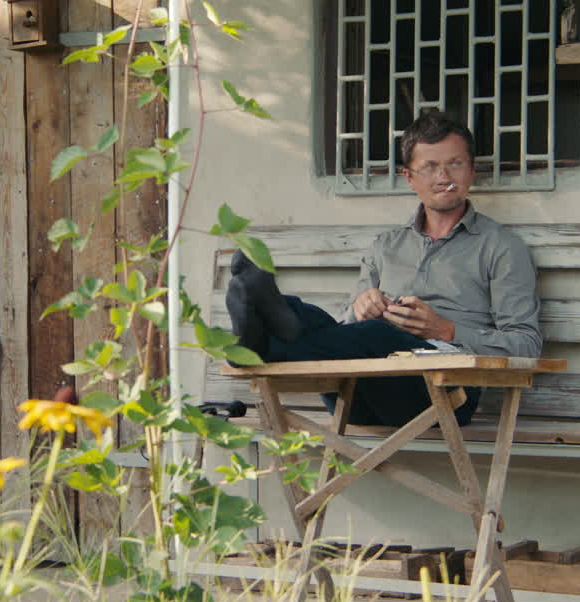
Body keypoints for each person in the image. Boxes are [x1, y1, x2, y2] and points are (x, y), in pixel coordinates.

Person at [225, 109, 541, 428]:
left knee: (374, 333)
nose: (444, 177)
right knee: (328, 322)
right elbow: (342, 333)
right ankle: (277, 315)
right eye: (430, 167)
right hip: (354, 394)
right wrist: (360, 310)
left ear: (472, 170)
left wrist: (444, 329)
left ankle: (259, 343)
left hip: (445, 395)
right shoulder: (385, 246)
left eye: (455, 164)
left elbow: (526, 345)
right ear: (409, 177)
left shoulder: (501, 248)